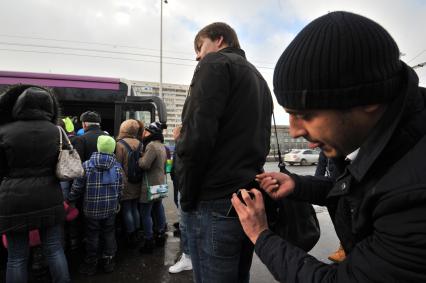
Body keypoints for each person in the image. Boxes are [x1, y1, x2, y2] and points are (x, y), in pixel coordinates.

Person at [231, 11, 426, 283]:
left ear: (367, 98)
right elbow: (357, 192)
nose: (296, 131)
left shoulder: (414, 197)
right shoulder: (387, 140)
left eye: (305, 114)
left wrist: (261, 235)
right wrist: (297, 185)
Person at [175, 22, 273, 283]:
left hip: (212, 200)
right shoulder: (258, 78)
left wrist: (187, 196)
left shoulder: (215, 64)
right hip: (246, 198)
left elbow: (197, 137)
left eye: (200, 46)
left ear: (219, 40)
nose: (197, 55)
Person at [0, 85, 70, 283]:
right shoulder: (57, 132)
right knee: (54, 249)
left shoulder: (4, 131)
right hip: (49, 195)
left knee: (16, 257)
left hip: (12, 200)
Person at [67, 135, 123, 276]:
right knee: (109, 233)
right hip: (110, 208)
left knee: (92, 235)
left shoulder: (86, 165)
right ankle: (108, 260)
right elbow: (121, 188)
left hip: (91, 209)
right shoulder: (117, 167)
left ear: (98, 147)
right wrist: (117, 200)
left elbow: (77, 187)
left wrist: (70, 199)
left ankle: (91, 262)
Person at [138, 122, 168, 254]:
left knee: (145, 213)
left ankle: (148, 240)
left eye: (146, 131)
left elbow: (145, 165)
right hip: (160, 183)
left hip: (150, 184)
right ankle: (160, 234)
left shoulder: (151, 145)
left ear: (152, 133)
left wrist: (139, 158)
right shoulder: (162, 145)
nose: (144, 133)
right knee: (158, 208)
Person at [168, 125, 193, 274]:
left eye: (174, 132)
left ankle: (188, 258)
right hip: (182, 185)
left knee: (185, 223)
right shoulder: (181, 144)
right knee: (185, 222)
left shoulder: (184, 144)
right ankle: (188, 255)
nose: (173, 134)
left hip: (185, 187)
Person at [115, 119, 143, 246]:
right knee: (134, 208)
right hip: (137, 181)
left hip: (125, 182)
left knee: (127, 209)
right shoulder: (140, 143)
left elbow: (118, 165)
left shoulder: (119, 144)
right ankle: (137, 232)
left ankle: (130, 234)